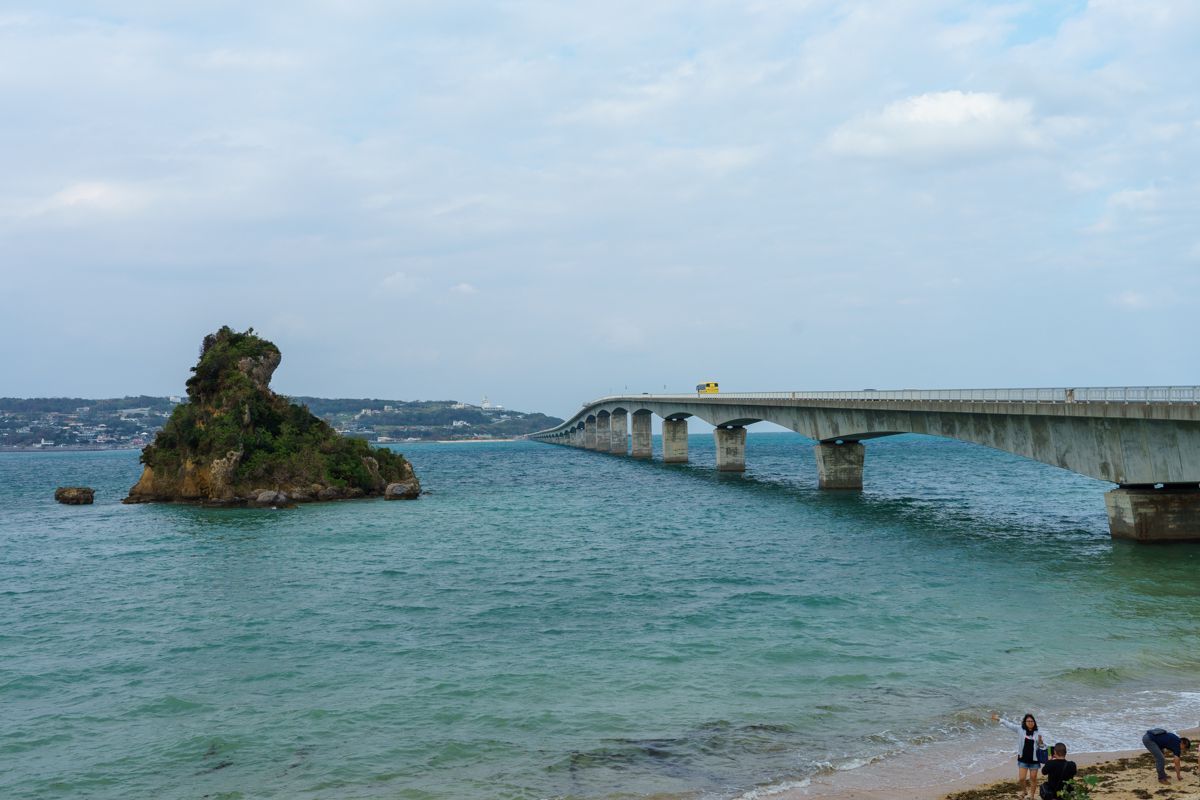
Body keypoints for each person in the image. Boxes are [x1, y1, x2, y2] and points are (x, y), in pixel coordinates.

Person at [992, 713, 1048, 800]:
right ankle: (1024, 791)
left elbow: (1042, 747)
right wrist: (1000, 719)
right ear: (1025, 722)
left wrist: (1041, 742)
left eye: (1032, 721)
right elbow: (1009, 725)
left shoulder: (1038, 732)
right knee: (1022, 779)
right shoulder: (1020, 729)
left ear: (1034, 722)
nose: (1030, 722)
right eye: (1028, 721)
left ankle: (1032, 795)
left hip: (1034, 760)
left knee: (1033, 779)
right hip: (1023, 759)